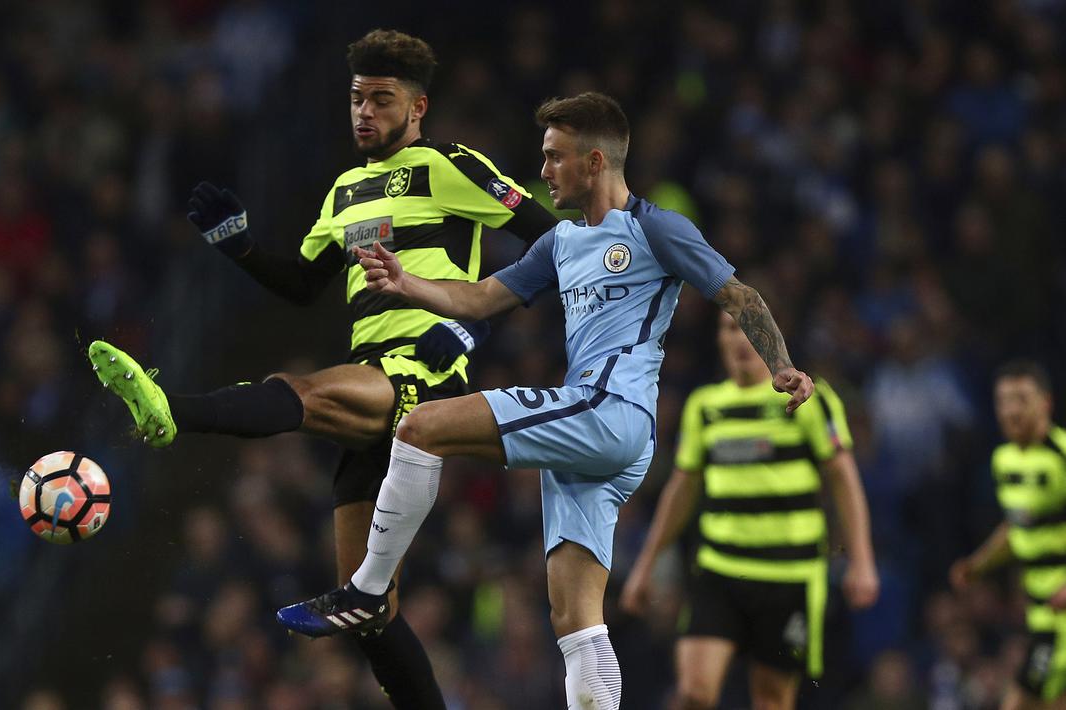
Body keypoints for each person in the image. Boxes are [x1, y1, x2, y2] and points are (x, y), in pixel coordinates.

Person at [276, 92, 814, 710]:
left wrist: (782, 365)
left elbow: (739, 295)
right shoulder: (560, 242)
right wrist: (407, 282)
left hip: (608, 409)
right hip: (597, 438)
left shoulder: (654, 228)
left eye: (556, 157)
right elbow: (481, 298)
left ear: (594, 161)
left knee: (420, 425)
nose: (544, 170)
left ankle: (368, 590)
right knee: (576, 620)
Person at [88, 30, 556, 709]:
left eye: (382, 99)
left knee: (301, 391)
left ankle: (171, 409)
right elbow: (305, 285)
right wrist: (240, 248)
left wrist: (468, 324)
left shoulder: (448, 165)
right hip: (373, 372)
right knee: (368, 612)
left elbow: (555, 240)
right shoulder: (344, 191)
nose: (364, 111)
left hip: (423, 370)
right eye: (357, 98)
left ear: (418, 106)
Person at [618, 310, 880, 710]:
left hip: (789, 577)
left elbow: (843, 478)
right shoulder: (704, 406)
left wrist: (862, 560)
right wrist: (646, 564)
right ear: (718, 339)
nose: (741, 338)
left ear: (771, 336)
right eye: (730, 328)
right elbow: (682, 489)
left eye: (752, 328)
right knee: (693, 693)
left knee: (771, 701)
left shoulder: (807, 398)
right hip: (719, 570)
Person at [950, 361, 1066, 710]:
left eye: (1022, 399)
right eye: (1004, 401)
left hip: (1061, 613)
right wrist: (978, 565)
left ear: (1045, 403)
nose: (1012, 410)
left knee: (1021, 699)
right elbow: (1018, 528)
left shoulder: (1061, 454)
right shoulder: (1004, 460)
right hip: (1041, 607)